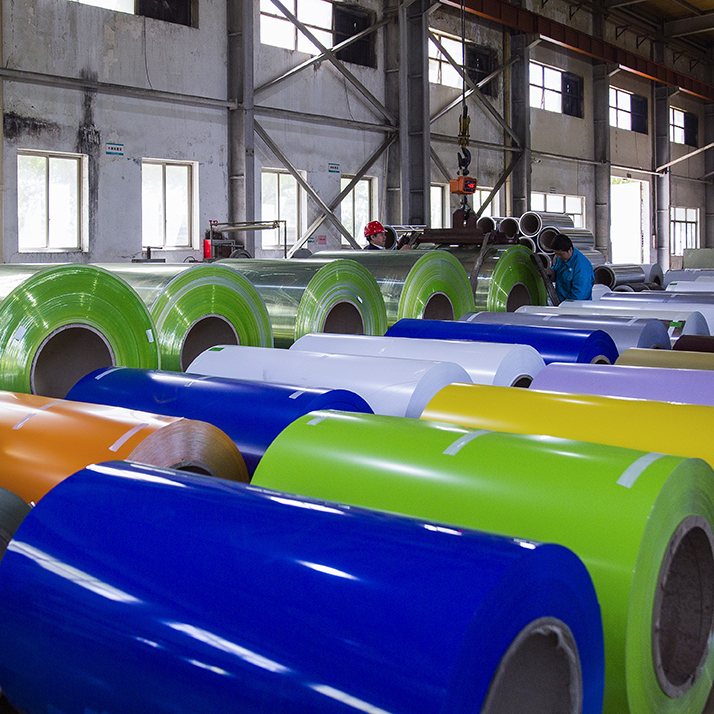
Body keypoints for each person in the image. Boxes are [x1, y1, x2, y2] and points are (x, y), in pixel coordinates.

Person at [549, 233, 595, 301]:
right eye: (556, 253)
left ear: (570, 250)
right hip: (562, 302)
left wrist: (565, 305)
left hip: (576, 305)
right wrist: (550, 272)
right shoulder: (562, 258)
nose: (558, 256)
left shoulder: (582, 267)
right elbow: (558, 271)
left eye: (560, 254)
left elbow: (579, 296)